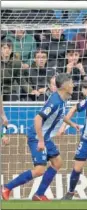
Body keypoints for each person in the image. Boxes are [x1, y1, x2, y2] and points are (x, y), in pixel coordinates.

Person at [2, 73, 74, 201]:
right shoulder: (55, 101)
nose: (73, 85)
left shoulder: (63, 100)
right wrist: (41, 141)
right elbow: (37, 118)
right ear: (64, 86)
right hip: (37, 136)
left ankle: (39, 194)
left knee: (58, 162)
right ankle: (7, 187)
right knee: (40, 169)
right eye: (71, 82)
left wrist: (71, 124)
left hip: (45, 137)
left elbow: (60, 115)